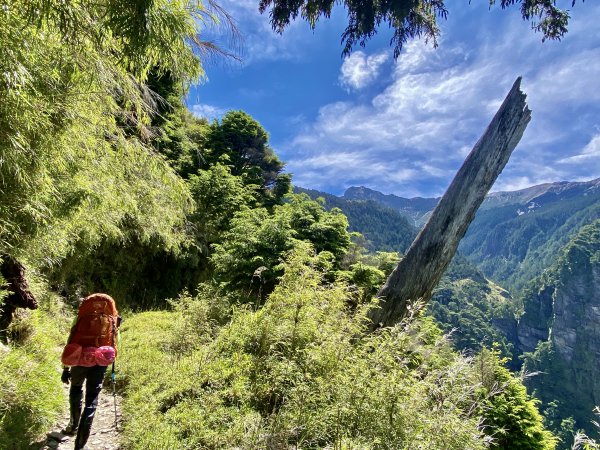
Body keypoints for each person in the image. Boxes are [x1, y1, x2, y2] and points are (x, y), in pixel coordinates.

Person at [60, 293, 120, 450]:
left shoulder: (80, 317)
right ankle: (80, 444)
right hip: (100, 360)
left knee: (75, 388)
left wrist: (66, 368)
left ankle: (72, 425)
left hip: (79, 357)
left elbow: (71, 338)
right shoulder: (112, 318)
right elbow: (115, 343)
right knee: (92, 397)